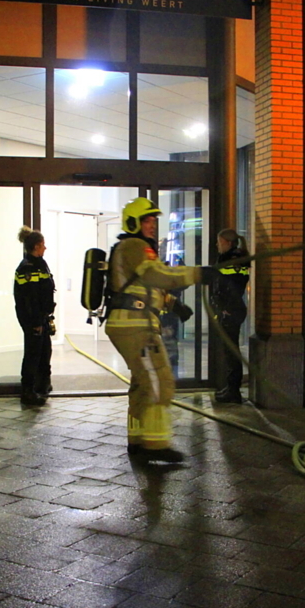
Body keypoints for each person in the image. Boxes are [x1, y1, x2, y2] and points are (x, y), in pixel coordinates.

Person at [106, 198, 217, 463]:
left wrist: (175, 305)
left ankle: (137, 440)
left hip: (129, 323)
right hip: (136, 326)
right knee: (160, 381)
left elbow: (146, 286)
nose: (153, 226)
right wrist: (198, 274)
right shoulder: (134, 245)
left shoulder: (129, 248)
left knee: (142, 384)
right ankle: (156, 445)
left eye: (154, 221)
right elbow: (156, 276)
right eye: (147, 221)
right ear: (133, 222)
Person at [14, 226, 55, 406]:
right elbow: (29, 299)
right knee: (32, 354)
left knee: (44, 351)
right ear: (37, 246)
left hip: (42, 317)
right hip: (34, 320)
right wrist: (36, 322)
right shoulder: (27, 268)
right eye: (43, 245)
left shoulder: (39, 263)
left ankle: (42, 385)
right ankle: (28, 391)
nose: (45, 248)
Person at [211, 228, 250, 404]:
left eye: (219, 242)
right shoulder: (236, 258)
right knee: (229, 352)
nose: (217, 245)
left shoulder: (231, 260)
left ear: (227, 242)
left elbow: (231, 287)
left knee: (231, 353)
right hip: (233, 309)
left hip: (231, 311)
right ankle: (230, 388)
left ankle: (233, 392)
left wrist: (225, 307)